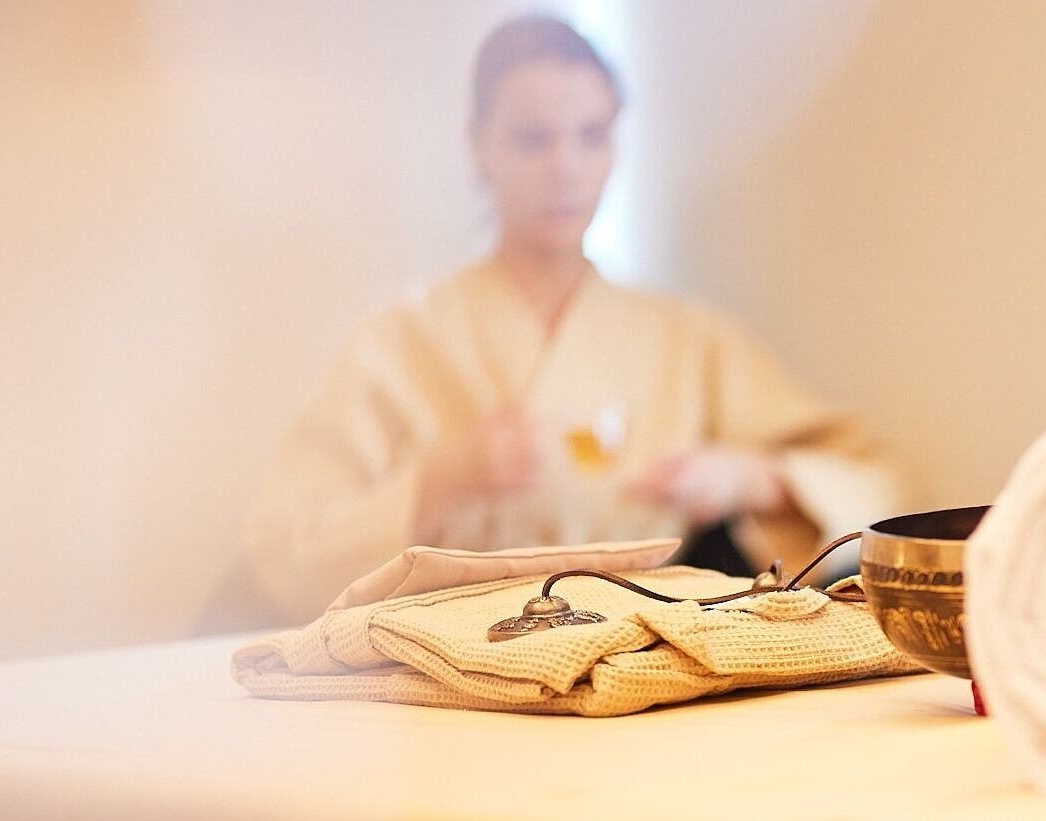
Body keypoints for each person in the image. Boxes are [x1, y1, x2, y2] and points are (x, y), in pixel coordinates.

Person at [235, 15, 896, 622]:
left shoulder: (684, 338)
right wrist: (440, 478)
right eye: (532, 139)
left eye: (591, 136)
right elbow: (282, 550)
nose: (566, 169)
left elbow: (877, 488)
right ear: (478, 146)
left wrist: (751, 480)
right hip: (450, 661)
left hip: (644, 651)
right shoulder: (402, 340)